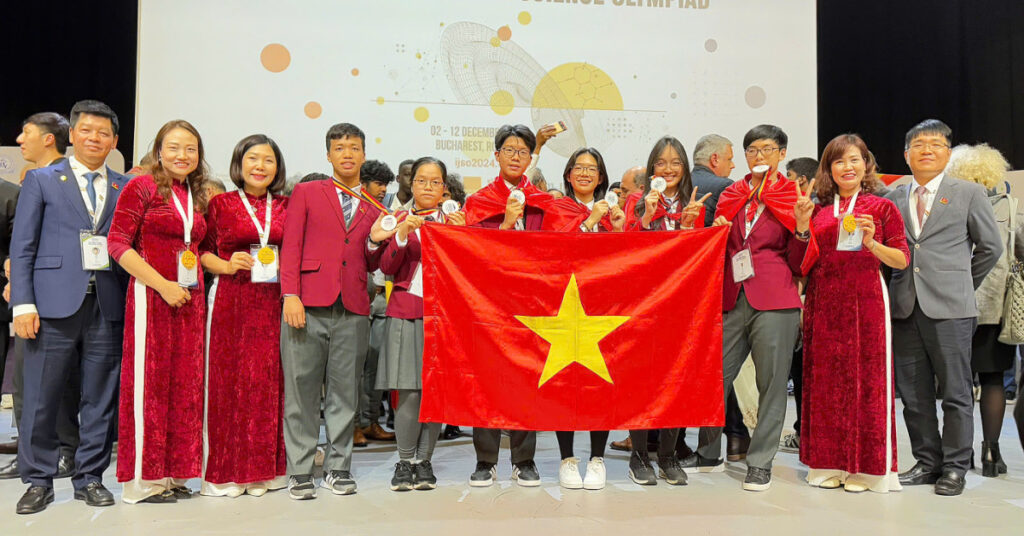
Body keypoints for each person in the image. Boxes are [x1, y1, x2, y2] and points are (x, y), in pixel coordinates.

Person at [10, 100, 130, 514]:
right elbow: (22, 247)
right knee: (42, 396)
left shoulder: (125, 186)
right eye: (87, 130)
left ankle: (90, 477)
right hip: (51, 304)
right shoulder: (42, 180)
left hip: (108, 303)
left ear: (114, 141)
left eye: (103, 133)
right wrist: (23, 303)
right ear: (73, 135)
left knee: (99, 397)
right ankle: (38, 480)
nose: (95, 138)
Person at [689, 124, 816, 492]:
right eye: (752, 150)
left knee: (771, 384)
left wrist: (802, 227)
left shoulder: (792, 196)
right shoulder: (732, 194)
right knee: (714, 378)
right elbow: (717, 249)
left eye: (767, 149)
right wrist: (710, 228)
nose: (759, 156)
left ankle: (760, 463)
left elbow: (800, 261)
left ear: (781, 154)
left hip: (775, 299)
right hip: (731, 296)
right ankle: (708, 453)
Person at [885, 119, 1002, 496]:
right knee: (913, 395)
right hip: (905, 307)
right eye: (919, 144)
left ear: (948, 154)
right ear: (906, 154)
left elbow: (991, 247)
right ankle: (926, 462)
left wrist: (962, 283)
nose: (927, 150)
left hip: (952, 308)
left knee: (956, 392)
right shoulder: (893, 197)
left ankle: (954, 467)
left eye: (936, 144)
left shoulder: (968, 192)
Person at [279, 123, 395, 500]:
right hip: (307, 304)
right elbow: (291, 246)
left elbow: (372, 260)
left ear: (364, 155)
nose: (347, 154)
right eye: (340, 147)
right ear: (328, 155)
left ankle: (338, 467)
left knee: (345, 392)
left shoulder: (376, 206)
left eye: (354, 147)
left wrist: (376, 242)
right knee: (301, 389)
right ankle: (300, 470)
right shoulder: (307, 192)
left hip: (354, 306)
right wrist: (290, 294)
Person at [107, 119, 211, 504]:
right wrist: (163, 285)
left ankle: (175, 474)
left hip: (191, 302)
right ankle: (144, 481)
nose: (182, 155)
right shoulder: (141, 186)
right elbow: (117, 244)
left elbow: (198, 250)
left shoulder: (194, 193)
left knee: (185, 388)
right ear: (159, 150)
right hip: (152, 299)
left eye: (190, 149)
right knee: (149, 387)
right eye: (174, 147)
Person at [800, 134, 910, 493]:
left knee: (868, 384)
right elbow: (801, 263)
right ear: (828, 169)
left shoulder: (882, 208)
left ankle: (866, 469)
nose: (847, 167)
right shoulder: (817, 210)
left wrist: (872, 243)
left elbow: (901, 259)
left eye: (854, 160)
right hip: (823, 302)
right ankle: (827, 464)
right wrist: (801, 226)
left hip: (867, 301)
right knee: (825, 384)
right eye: (838, 161)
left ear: (866, 165)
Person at [462, 124, 553, 487]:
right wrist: (507, 225)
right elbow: (472, 255)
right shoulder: (479, 201)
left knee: (526, 380)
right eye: (510, 150)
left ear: (531, 157)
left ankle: (524, 460)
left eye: (523, 152)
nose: (516, 157)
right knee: (486, 380)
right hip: (489, 303)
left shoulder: (543, 202)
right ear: (497, 155)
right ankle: (485, 460)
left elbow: (556, 250)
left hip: (532, 302)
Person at [199, 134, 290, 497]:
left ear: (277, 167)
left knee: (268, 385)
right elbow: (200, 252)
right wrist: (225, 264)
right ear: (239, 163)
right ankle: (226, 473)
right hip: (230, 301)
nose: (260, 166)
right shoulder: (220, 204)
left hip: (273, 303)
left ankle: (264, 473)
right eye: (253, 158)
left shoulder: (286, 205)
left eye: (268, 160)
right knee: (228, 385)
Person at [620, 137, 706, 487]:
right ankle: (639, 455)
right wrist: (646, 218)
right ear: (651, 167)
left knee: (677, 379)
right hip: (644, 304)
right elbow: (626, 251)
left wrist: (689, 228)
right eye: (661, 163)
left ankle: (668, 455)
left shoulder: (693, 205)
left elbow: (697, 258)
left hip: (681, 306)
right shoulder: (636, 202)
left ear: (684, 168)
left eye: (675, 163)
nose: (668, 169)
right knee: (641, 380)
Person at [377, 156, 466, 491]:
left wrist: (462, 235)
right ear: (411, 184)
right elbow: (387, 267)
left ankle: (424, 461)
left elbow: (467, 269)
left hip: (444, 316)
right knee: (409, 391)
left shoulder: (455, 219)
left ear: (444, 188)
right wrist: (401, 235)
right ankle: (404, 461)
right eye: (422, 181)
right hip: (406, 311)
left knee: (435, 390)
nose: (428, 187)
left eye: (435, 182)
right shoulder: (397, 218)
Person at [539, 147, 625, 490]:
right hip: (565, 305)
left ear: (601, 176)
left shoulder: (611, 211)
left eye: (592, 168)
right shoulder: (557, 208)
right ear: (568, 174)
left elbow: (624, 263)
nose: (585, 173)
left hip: (602, 309)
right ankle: (567, 458)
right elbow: (555, 252)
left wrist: (617, 230)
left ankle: (598, 458)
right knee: (566, 384)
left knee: (600, 384)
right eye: (579, 167)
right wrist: (589, 224)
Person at [2, 111, 77, 474]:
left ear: (49, 138)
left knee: (57, 379)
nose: (19, 140)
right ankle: (31, 449)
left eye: (26, 132)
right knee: (26, 379)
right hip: (30, 295)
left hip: (59, 296)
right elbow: (24, 243)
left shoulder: (68, 180)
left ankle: (65, 449)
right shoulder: (35, 178)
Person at [945, 143, 1018, 478]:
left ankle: (961, 453)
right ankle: (991, 452)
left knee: (958, 383)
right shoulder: (1010, 206)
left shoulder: (949, 205)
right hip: (994, 308)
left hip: (952, 304)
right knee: (993, 379)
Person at [356, 159, 397, 445]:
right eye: (378, 183)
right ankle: (352, 426)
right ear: (363, 183)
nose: (383, 189)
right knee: (354, 367)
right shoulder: (354, 211)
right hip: (358, 295)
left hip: (382, 297)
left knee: (374, 367)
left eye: (385, 184)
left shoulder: (387, 214)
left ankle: (370, 421)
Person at [691, 134, 736, 227]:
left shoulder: (680, 182)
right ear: (715, 159)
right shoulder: (726, 186)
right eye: (729, 159)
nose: (732, 165)